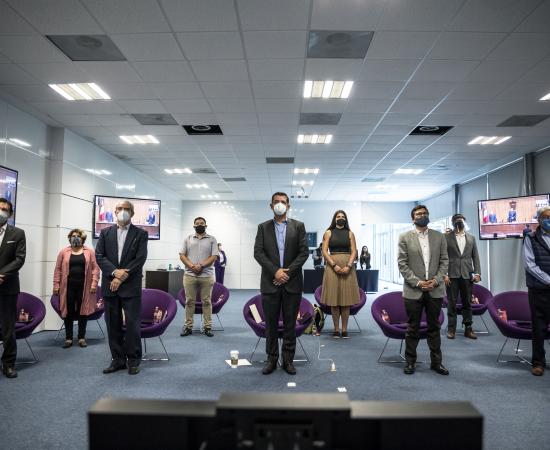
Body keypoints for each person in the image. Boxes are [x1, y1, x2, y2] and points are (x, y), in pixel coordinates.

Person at [253, 192, 309, 375]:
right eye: (276, 202)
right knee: (270, 324)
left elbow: (304, 252)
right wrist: (275, 271)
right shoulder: (263, 227)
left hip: (292, 283)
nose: (279, 204)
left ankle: (288, 360)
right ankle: (271, 359)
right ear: (271, 206)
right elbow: (258, 253)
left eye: (283, 202)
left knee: (290, 324)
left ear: (288, 206)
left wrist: (287, 272)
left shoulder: (298, 226)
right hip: (270, 282)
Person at [95, 200, 148, 375]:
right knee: (112, 324)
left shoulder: (141, 234)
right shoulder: (105, 233)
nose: (123, 211)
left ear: (132, 213)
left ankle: (133, 360)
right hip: (110, 284)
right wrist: (114, 273)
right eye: (120, 208)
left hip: (130, 285)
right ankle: (117, 359)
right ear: (115, 211)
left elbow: (140, 258)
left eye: (127, 209)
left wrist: (121, 276)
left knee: (132, 324)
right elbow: (99, 256)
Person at [397, 205, 449, 376]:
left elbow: (444, 261)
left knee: (434, 327)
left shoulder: (439, 237)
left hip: (435, 289)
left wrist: (436, 280)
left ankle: (437, 363)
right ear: (413, 218)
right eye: (419, 214)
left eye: (425, 213)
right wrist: (418, 283)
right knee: (413, 328)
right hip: (414, 290)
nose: (422, 216)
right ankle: (410, 362)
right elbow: (402, 264)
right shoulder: (405, 237)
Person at [53, 229, 100, 348]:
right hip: (67, 287)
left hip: (84, 287)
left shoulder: (89, 252)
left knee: (83, 312)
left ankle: (81, 338)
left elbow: (95, 269)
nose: (75, 238)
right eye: (73, 236)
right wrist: (56, 285)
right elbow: (58, 269)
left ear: (82, 239)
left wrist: (94, 284)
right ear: (69, 238)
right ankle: (68, 338)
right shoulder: (63, 252)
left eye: (78, 236)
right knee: (67, 312)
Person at [320, 210, 359, 339]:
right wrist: (333, 265)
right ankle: (336, 329)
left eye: (343, 216)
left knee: (346, 301)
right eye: (338, 216)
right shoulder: (328, 232)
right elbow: (324, 251)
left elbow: (354, 251)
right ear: (334, 219)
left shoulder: (350, 233)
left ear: (346, 219)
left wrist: (349, 265)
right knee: (334, 301)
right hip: (332, 267)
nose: (340, 218)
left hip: (348, 267)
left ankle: (345, 329)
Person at [179, 217, 218, 337]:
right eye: (197, 223)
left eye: (202, 223)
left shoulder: (212, 239)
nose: (199, 225)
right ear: (194, 226)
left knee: (206, 302)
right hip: (190, 275)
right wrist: (192, 266)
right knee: (189, 302)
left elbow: (213, 256)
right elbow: (182, 255)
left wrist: (201, 266)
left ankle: (207, 327)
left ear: (206, 225)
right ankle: (188, 327)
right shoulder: (188, 239)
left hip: (206, 276)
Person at [444, 214, 481, 340]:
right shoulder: (446, 237)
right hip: (451, 275)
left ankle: (468, 329)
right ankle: (451, 329)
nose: (459, 222)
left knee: (467, 303)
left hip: (467, 274)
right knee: (452, 303)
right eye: (457, 220)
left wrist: (477, 273)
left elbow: (475, 257)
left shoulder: (471, 238)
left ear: (465, 222)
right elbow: (443, 257)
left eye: (461, 220)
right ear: (453, 222)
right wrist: (444, 274)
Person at [0, 198, 26, 379]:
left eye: (4, 209)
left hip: (7, 287)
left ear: (10, 214)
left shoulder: (17, 233)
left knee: (7, 328)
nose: (1, 211)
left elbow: (19, 258)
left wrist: (2, 274)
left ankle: (8, 363)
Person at [523, 207, 550, 376]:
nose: (549, 219)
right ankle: (538, 362)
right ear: (539, 220)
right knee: (539, 328)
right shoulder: (531, 238)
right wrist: (548, 280)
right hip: (539, 290)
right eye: (546, 217)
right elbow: (529, 264)